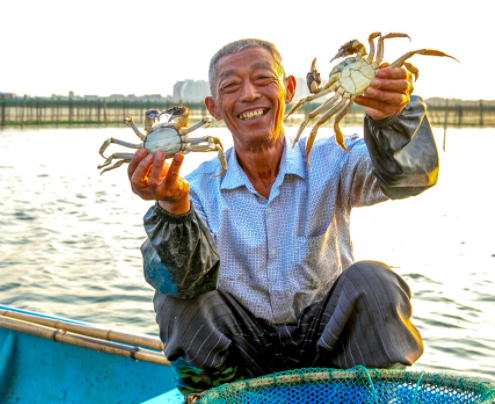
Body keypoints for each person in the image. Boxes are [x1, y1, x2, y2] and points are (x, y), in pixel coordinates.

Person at [127, 39, 438, 396]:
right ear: (213, 108)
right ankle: (212, 400)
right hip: (241, 357)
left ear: (289, 89)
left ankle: (370, 396)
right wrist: (172, 207)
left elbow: (409, 178)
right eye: (231, 86)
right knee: (177, 294)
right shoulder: (195, 189)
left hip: (329, 343)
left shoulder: (333, 155)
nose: (248, 95)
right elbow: (171, 276)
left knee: (375, 282)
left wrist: (391, 119)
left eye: (262, 79)